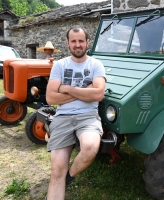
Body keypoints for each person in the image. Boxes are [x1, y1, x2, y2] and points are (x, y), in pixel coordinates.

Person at [45, 25, 106, 200]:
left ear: (87, 42)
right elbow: (50, 98)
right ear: (68, 43)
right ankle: (61, 178)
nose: (77, 45)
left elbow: (98, 94)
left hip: (88, 117)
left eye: (81, 41)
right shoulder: (60, 65)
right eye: (74, 41)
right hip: (63, 117)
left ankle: (69, 177)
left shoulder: (96, 64)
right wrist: (82, 92)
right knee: (57, 169)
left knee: (89, 147)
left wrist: (66, 88)